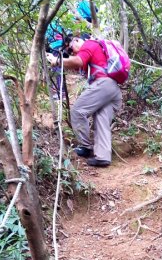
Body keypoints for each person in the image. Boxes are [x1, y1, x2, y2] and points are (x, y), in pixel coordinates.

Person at [46, 36, 122, 167]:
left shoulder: (89, 44)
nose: (72, 52)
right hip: (112, 89)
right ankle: (103, 157)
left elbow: (78, 62)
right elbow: (75, 64)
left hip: (103, 84)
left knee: (77, 111)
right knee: (101, 119)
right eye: (69, 52)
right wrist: (58, 58)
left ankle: (86, 147)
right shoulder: (95, 50)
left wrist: (57, 60)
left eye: (71, 48)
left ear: (77, 40)